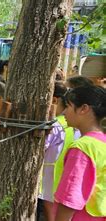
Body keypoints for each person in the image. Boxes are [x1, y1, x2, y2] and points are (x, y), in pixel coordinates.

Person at [54, 85, 106, 221]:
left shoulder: (82, 147)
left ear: (84, 108)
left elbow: (70, 198)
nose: (64, 112)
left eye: (68, 106)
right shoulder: (102, 143)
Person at [39, 82, 80, 221]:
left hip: (51, 177)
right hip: (68, 176)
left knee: (51, 213)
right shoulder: (75, 124)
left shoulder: (55, 125)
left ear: (54, 100)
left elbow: (41, 147)